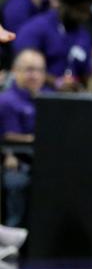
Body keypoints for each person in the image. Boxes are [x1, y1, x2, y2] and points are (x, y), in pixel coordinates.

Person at [13, 0, 92, 90]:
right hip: (38, 97)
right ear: (65, 5)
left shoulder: (84, 35)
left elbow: (86, 73)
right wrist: (57, 82)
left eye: (87, 11)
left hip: (73, 100)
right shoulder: (36, 28)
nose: (85, 16)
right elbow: (24, 68)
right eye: (80, 10)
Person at [0, 48, 44, 234]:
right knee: (16, 181)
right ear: (15, 71)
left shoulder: (47, 99)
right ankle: (12, 233)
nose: (35, 75)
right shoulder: (6, 100)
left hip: (41, 160)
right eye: (29, 69)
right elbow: (8, 136)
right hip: (14, 159)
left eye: (40, 70)